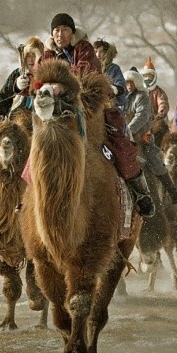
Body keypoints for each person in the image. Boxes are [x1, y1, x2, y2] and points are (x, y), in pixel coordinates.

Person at [43, 13, 155, 217]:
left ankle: (139, 191)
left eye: (65, 30)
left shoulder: (84, 50)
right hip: (54, 111)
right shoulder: (48, 54)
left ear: (72, 32)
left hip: (87, 105)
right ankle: (25, 197)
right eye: (56, 30)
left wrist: (62, 84)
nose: (60, 34)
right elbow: (40, 77)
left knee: (118, 139)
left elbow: (86, 73)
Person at [122, 67, 177, 203]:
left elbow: (142, 116)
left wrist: (128, 130)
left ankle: (172, 191)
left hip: (142, 138)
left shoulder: (142, 97)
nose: (129, 86)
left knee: (154, 161)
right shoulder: (123, 99)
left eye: (131, 83)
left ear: (136, 83)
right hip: (124, 138)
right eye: (127, 83)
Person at [0, 37, 44, 121]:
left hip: (39, 119)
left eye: (34, 55)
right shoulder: (17, 73)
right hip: (16, 117)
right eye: (28, 56)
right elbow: (4, 95)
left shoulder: (46, 74)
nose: (31, 59)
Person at [93, 39, 127, 111]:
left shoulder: (114, 68)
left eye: (101, 52)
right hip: (93, 103)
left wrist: (114, 89)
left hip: (110, 104)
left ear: (107, 53)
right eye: (95, 52)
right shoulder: (89, 67)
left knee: (115, 120)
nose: (98, 55)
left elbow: (121, 85)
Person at [140, 58, 170, 127]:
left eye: (150, 76)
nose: (147, 78)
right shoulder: (140, 91)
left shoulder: (159, 92)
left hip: (156, 119)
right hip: (141, 119)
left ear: (154, 77)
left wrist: (160, 113)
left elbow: (162, 102)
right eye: (145, 76)